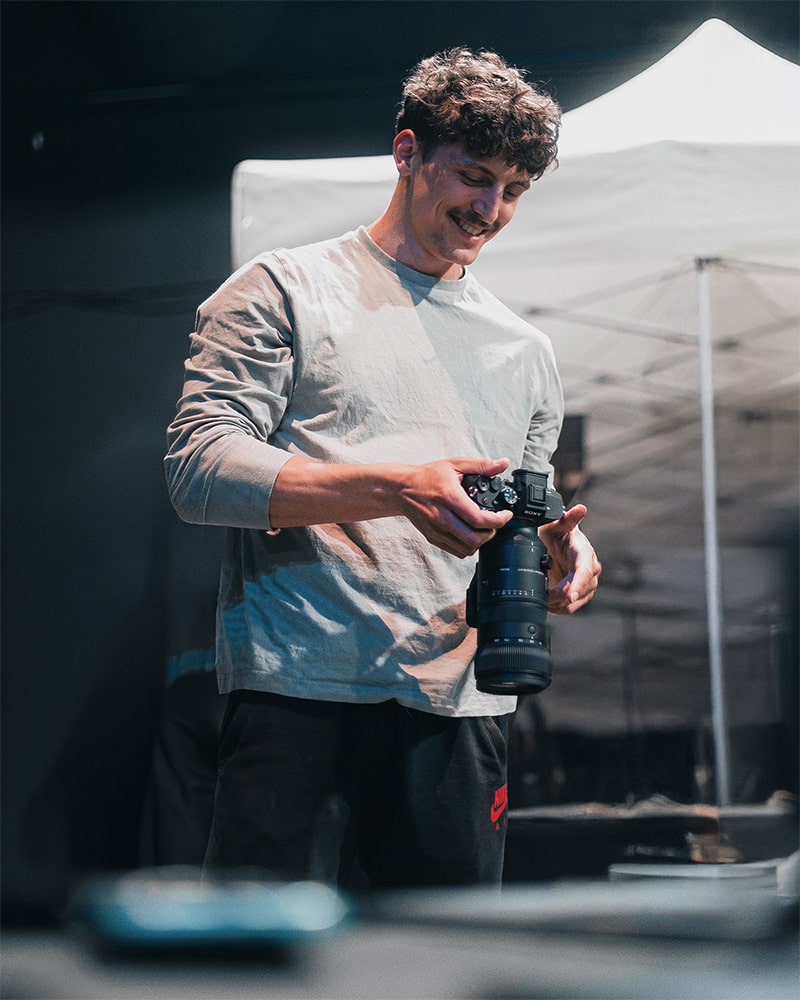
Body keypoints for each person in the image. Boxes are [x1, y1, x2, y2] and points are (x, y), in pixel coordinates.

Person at [165, 47, 601, 889]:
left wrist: (562, 548)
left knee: (449, 973)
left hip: (461, 707)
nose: (490, 208)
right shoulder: (283, 288)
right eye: (473, 176)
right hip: (301, 695)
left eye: (513, 190)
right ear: (407, 152)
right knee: (268, 976)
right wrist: (398, 487)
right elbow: (199, 468)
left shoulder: (526, 349)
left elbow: (528, 503)